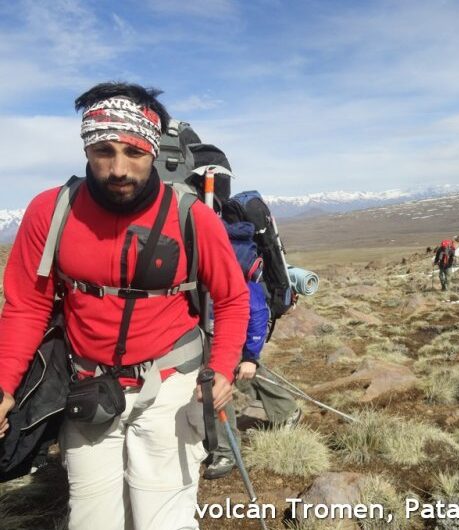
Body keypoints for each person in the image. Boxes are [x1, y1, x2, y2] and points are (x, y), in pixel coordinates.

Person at [0, 82, 250, 529]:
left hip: (171, 387)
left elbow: (231, 299)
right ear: (86, 149)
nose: (118, 168)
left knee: (163, 520)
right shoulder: (51, 211)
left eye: (133, 153)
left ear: (153, 152)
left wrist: (225, 370)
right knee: (92, 521)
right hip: (88, 386)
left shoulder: (191, 215)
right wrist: (4, 386)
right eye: (103, 150)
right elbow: (26, 306)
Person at [204, 223, 301, 480]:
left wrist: (251, 357)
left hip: (231, 333)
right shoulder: (205, 259)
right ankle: (285, 409)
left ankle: (226, 451)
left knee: (230, 381)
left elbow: (257, 312)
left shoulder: (234, 268)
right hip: (209, 331)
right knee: (244, 380)